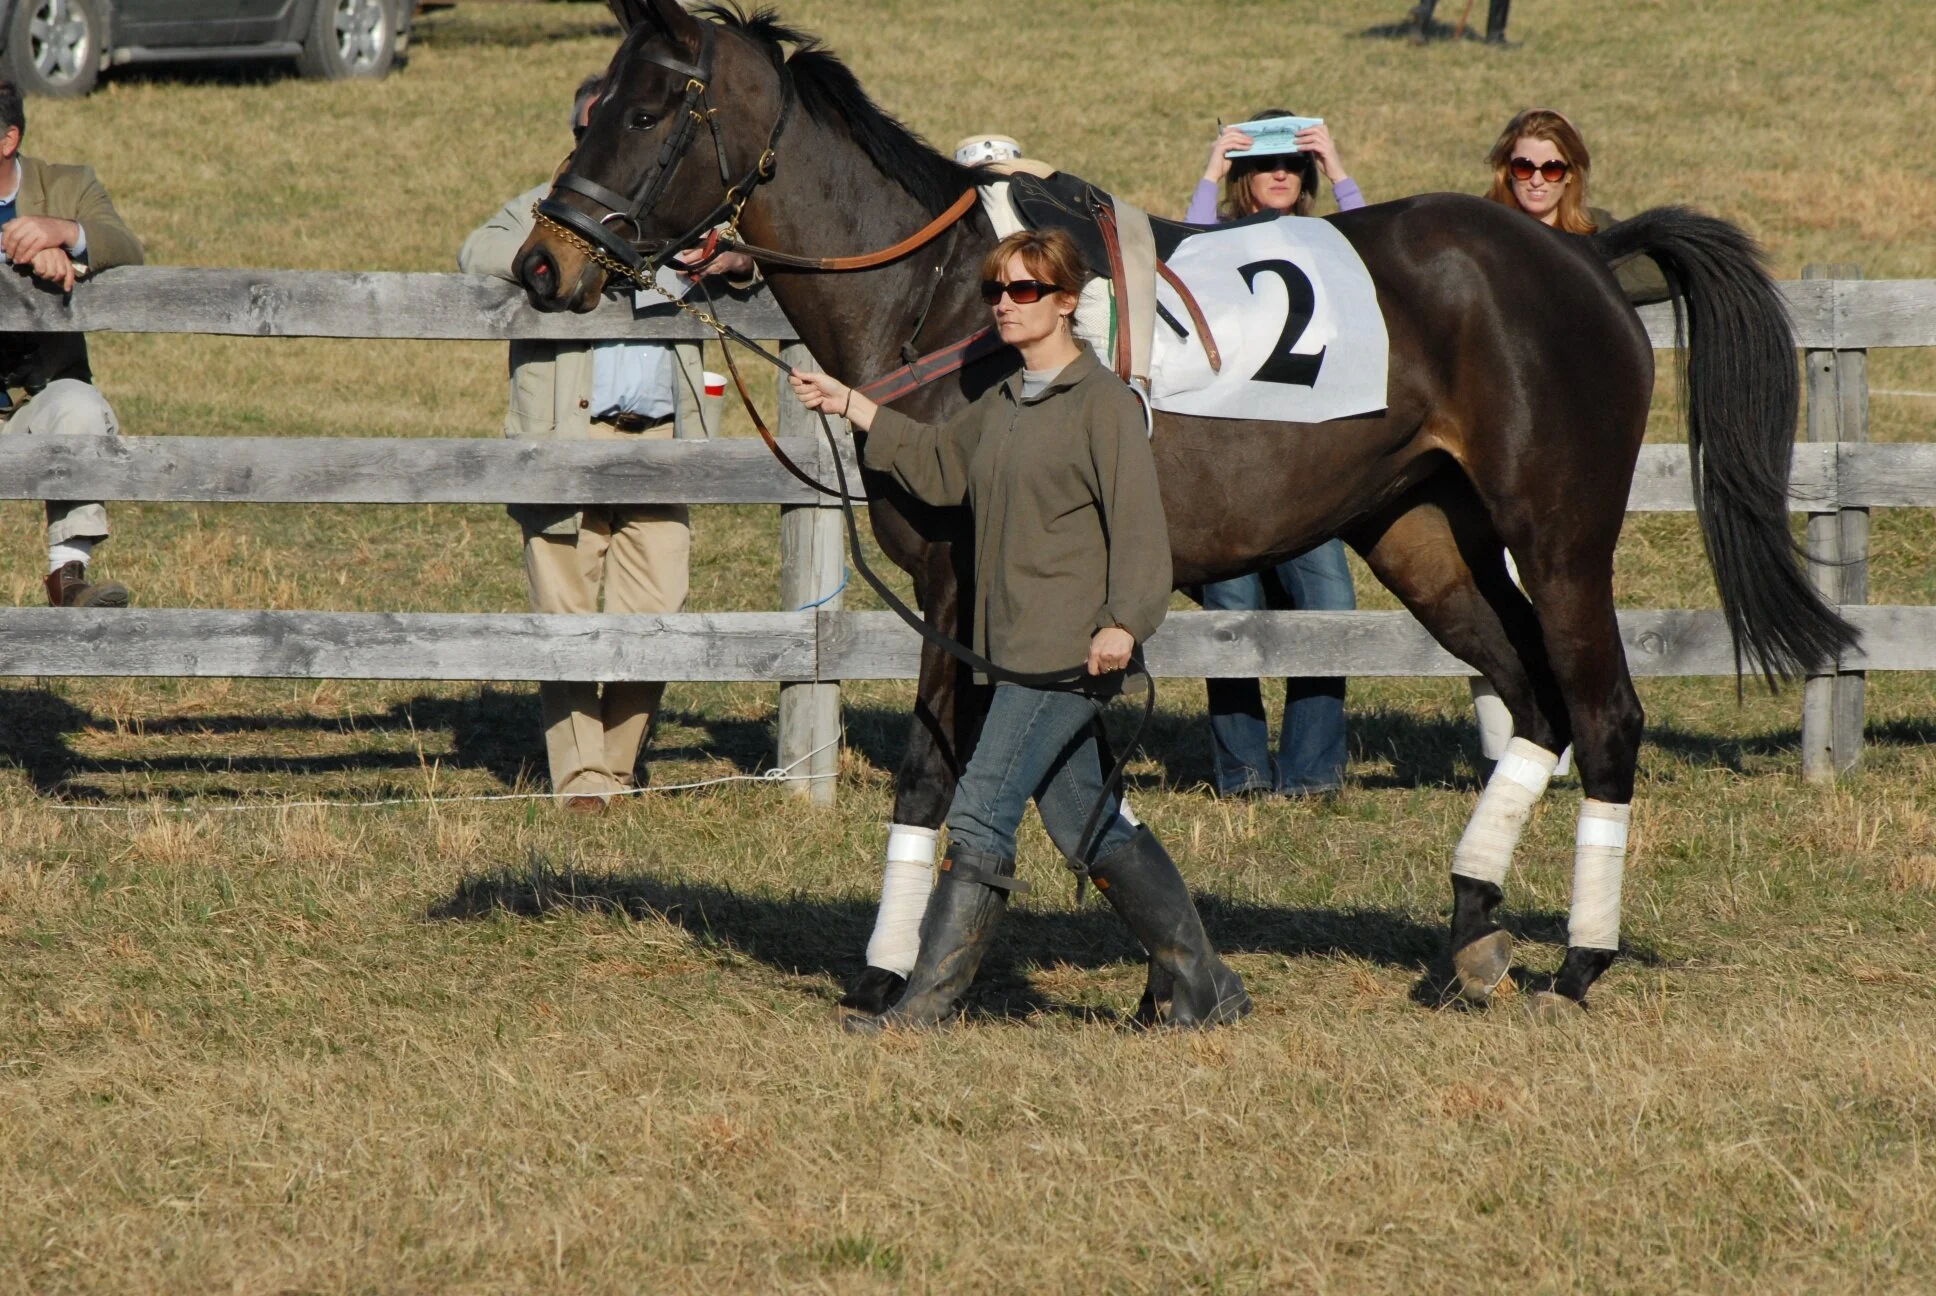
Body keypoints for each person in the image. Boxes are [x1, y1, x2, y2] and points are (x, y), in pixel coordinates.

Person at [790, 229, 1250, 1031]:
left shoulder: (1104, 404)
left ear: (1067, 302)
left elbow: (1142, 529)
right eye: (997, 291)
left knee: (978, 817)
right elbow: (937, 462)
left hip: (1067, 655)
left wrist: (1124, 623)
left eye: (1026, 291)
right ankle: (1204, 984)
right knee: (1088, 822)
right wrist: (850, 403)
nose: (1006, 303)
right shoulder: (1001, 401)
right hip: (1011, 654)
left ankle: (921, 1011)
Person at [459, 75, 751, 813]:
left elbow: (745, 256)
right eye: (593, 131)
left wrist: (733, 262)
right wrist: (548, 257)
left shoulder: (676, 209)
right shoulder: (543, 206)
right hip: (565, 433)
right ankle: (583, 782)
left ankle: (617, 767)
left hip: (661, 438)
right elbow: (477, 250)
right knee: (566, 608)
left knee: (655, 609)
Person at [1467, 108, 1667, 766]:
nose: (1536, 180)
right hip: (1481, 437)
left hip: (1564, 444)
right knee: (1487, 587)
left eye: (1551, 168)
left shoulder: (1594, 239)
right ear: (1506, 170)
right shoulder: (1479, 238)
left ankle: (1563, 732)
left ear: (1572, 175)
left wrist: (1583, 264)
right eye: (1523, 166)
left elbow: (1656, 274)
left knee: (1566, 586)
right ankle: (1512, 746)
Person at [1183, 110, 1367, 798]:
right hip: (1230, 467)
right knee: (1231, 618)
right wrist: (1211, 168)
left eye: (1295, 164)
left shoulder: (1325, 239)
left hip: (1308, 469)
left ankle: (1313, 773)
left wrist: (1341, 169)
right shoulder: (1223, 239)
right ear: (1243, 178)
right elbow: (1186, 257)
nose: (1282, 173)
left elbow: (1379, 261)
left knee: (1329, 610)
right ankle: (1241, 773)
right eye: (1265, 164)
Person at [0, 79, 145, 609]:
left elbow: (126, 246)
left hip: (35, 402)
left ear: (7, 139)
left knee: (82, 406)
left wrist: (62, 233)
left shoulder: (67, 184)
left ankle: (69, 578)